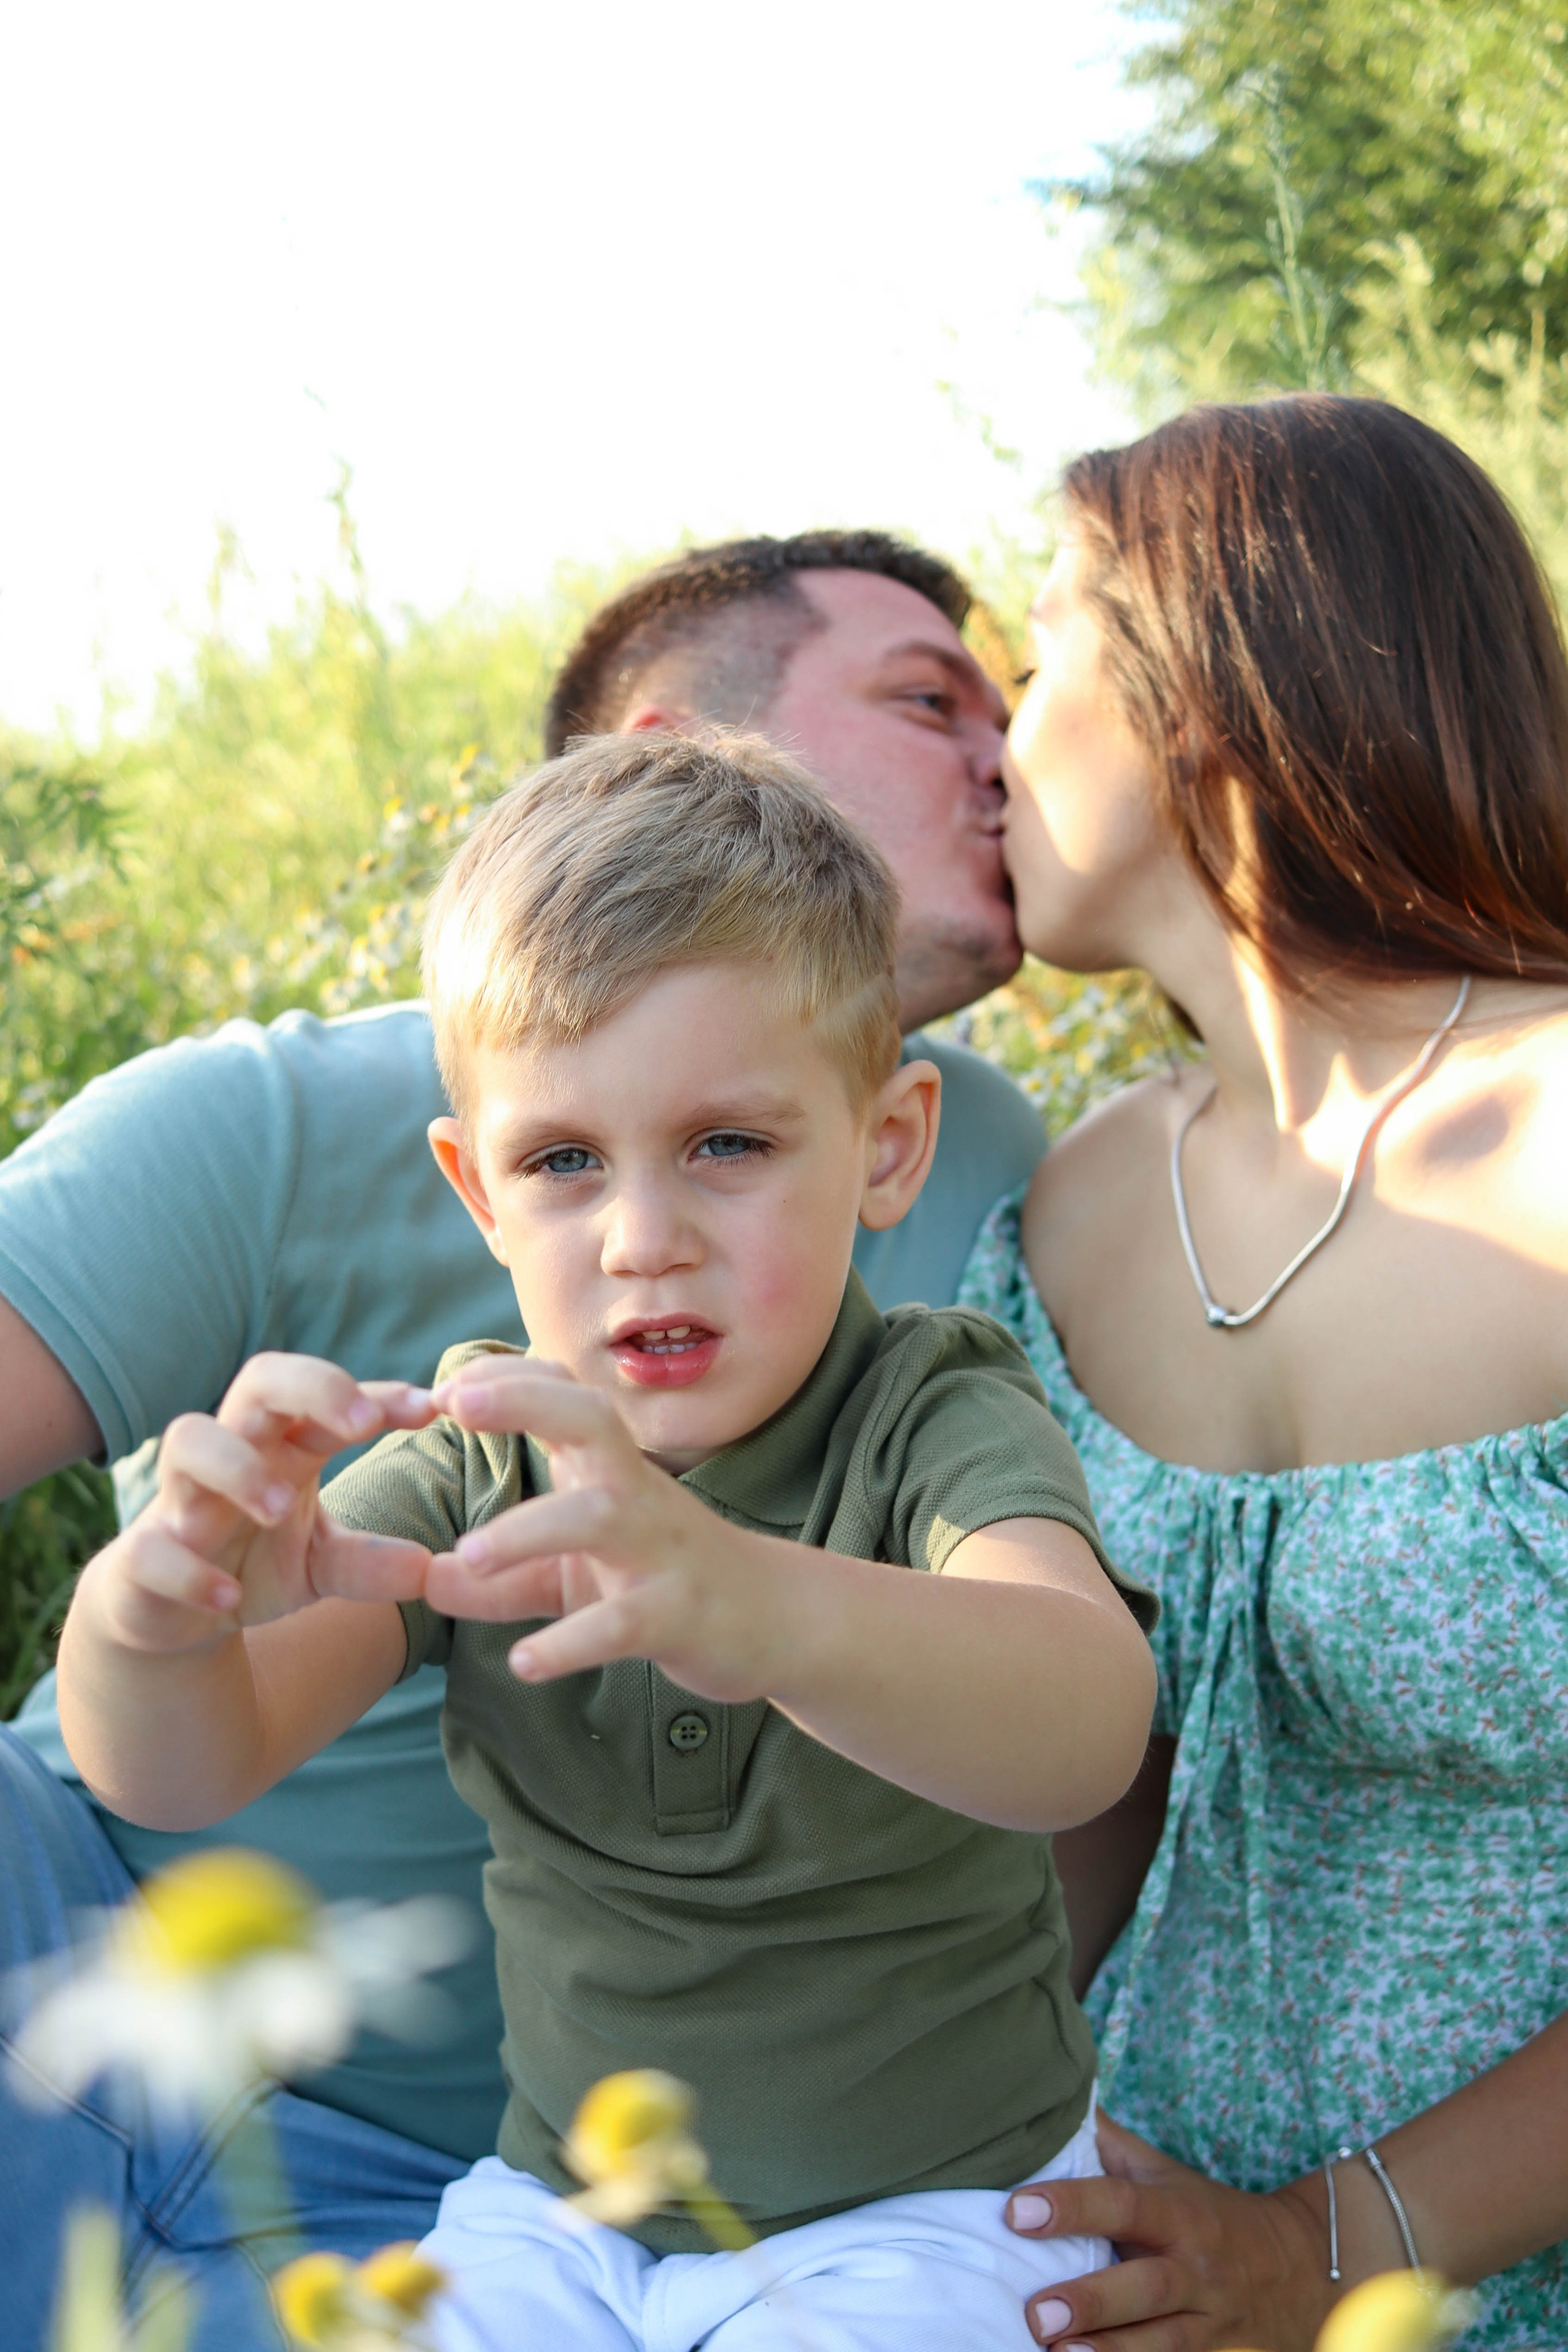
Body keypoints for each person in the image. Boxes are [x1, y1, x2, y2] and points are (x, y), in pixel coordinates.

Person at [0, 530, 1048, 2331]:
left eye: (730, 1141)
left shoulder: (956, 1319)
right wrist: (148, 1607)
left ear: (891, 1142)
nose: (642, 1230)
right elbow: (175, 1759)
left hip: (781, 2199)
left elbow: (1073, 1715)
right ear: (476, 1186)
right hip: (196, 2012)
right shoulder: (436, 1381)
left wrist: (750, 1600)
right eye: (926, 698)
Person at [954, 396, 1568, 2350]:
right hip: (1123, 2266)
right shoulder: (1078, 1208)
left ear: (1209, 682)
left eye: (1040, 651)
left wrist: (1321, 2251)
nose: (996, 727)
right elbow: (1100, 1812)